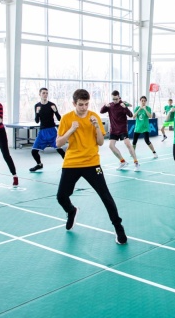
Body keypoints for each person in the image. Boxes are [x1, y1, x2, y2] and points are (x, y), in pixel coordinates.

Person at [55, 89, 127, 244]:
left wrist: (96, 127)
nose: (84, 107)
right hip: (72, 162)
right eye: (81, 104)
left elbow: (100, 142)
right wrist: (71, 130)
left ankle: (118, 227)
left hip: (92, 163)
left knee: (105, 196)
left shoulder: (94, 116)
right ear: (74, 103)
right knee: (61, 196)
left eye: (86, 104)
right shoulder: (67, 118)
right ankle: (71, 211)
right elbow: (59, 143)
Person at [100, 90, 140, 171]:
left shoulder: (123, 105)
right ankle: (122, 162)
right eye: (113, 99)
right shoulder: (110, 105)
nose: (115, 100)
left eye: (116, 99)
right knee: (111, 146)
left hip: (122, 129)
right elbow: (101, 111)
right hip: (113, 130)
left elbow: (131, 115)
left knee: (128, 144)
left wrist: (125, 107)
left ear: (119, 97)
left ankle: (136, 163)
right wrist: (105, 106)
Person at [29, 87, 65, 172]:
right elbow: (37, 121)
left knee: (59, 149)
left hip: (52, 130)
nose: (45, 95)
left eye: (46, 93)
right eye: (43, 93)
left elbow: (59, 119)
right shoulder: (37, 106)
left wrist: (55, 111)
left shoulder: (52, 105)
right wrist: (37, 112)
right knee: (34, 151)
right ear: (40, 94)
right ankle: (39, 164)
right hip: (42, 131)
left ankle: (69, 164)